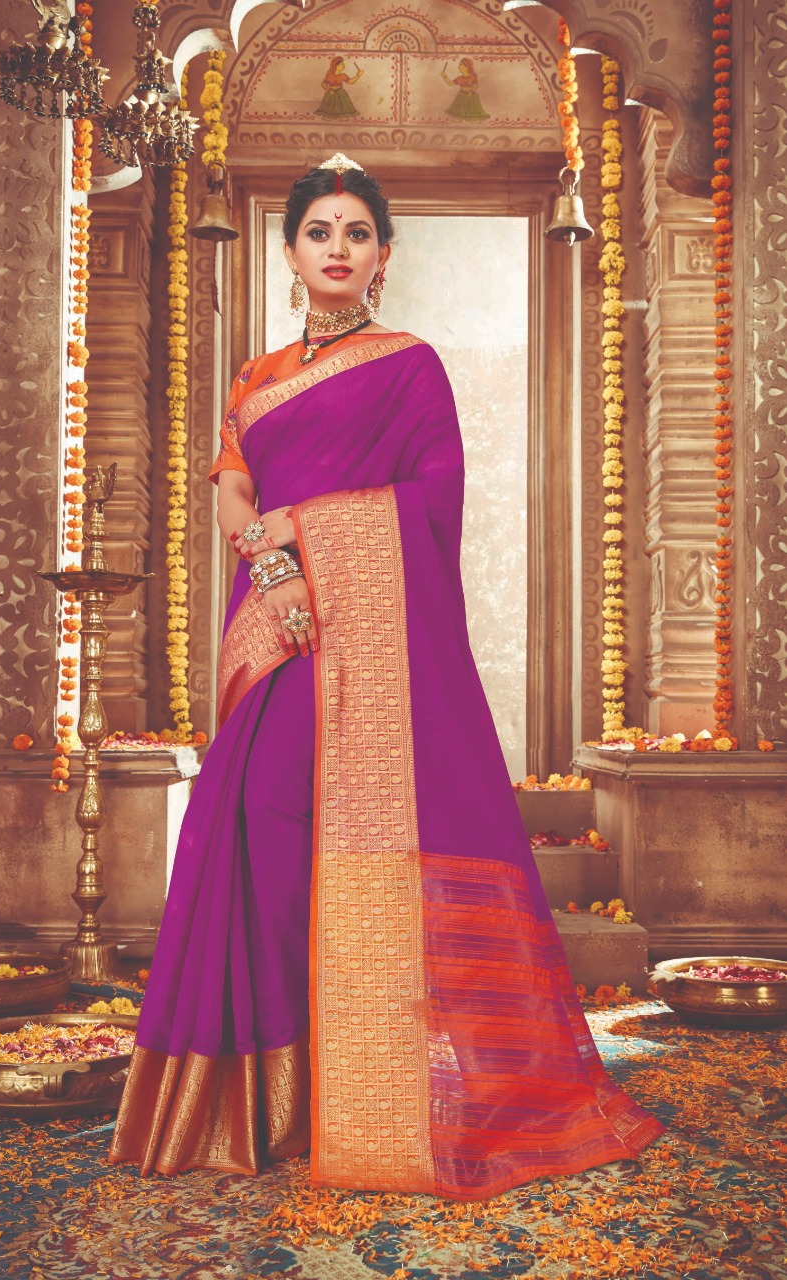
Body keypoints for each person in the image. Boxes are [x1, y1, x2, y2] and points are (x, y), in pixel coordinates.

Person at [108, 151, 665, 1199]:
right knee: (261, 832)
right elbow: (232, 493)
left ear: (383, 256)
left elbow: (436, 494)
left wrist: (311, 529)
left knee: (361, 846)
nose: (337, 248)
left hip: (371, 647)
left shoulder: (409, 366)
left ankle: (372, 1089)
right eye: (319, 232)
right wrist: (275, 564)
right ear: (289, 252)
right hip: (278, 628)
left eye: (356, 234)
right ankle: (271, 1098)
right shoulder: (257, 377)